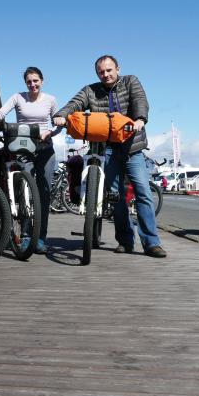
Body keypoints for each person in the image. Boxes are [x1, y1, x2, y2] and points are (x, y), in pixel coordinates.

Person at [53, 55, 167, 258]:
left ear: (117, 68)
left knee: (143, 192)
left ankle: (151, 243)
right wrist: (61, 115)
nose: (105, 74)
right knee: (116, 196)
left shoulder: (130, 81)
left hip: (133, 148)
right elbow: (76, 102)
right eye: (101, 72)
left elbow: (140, 100)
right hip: (108, 150)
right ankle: (125, 241)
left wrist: (140, 119)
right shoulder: (91, 90)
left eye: (109, 70)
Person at [0, 67, 60, 254]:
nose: (32, 84)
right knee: (25, 193)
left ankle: (40, 238)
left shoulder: (51, 100)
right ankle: (25, 236)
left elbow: (58, 122)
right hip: (24, 149)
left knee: (44, 194)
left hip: (45, 149)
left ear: (42, 80)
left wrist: (51, 132)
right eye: (29, 81)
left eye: (35, 81)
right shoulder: (17, 97)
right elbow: (0, 113)